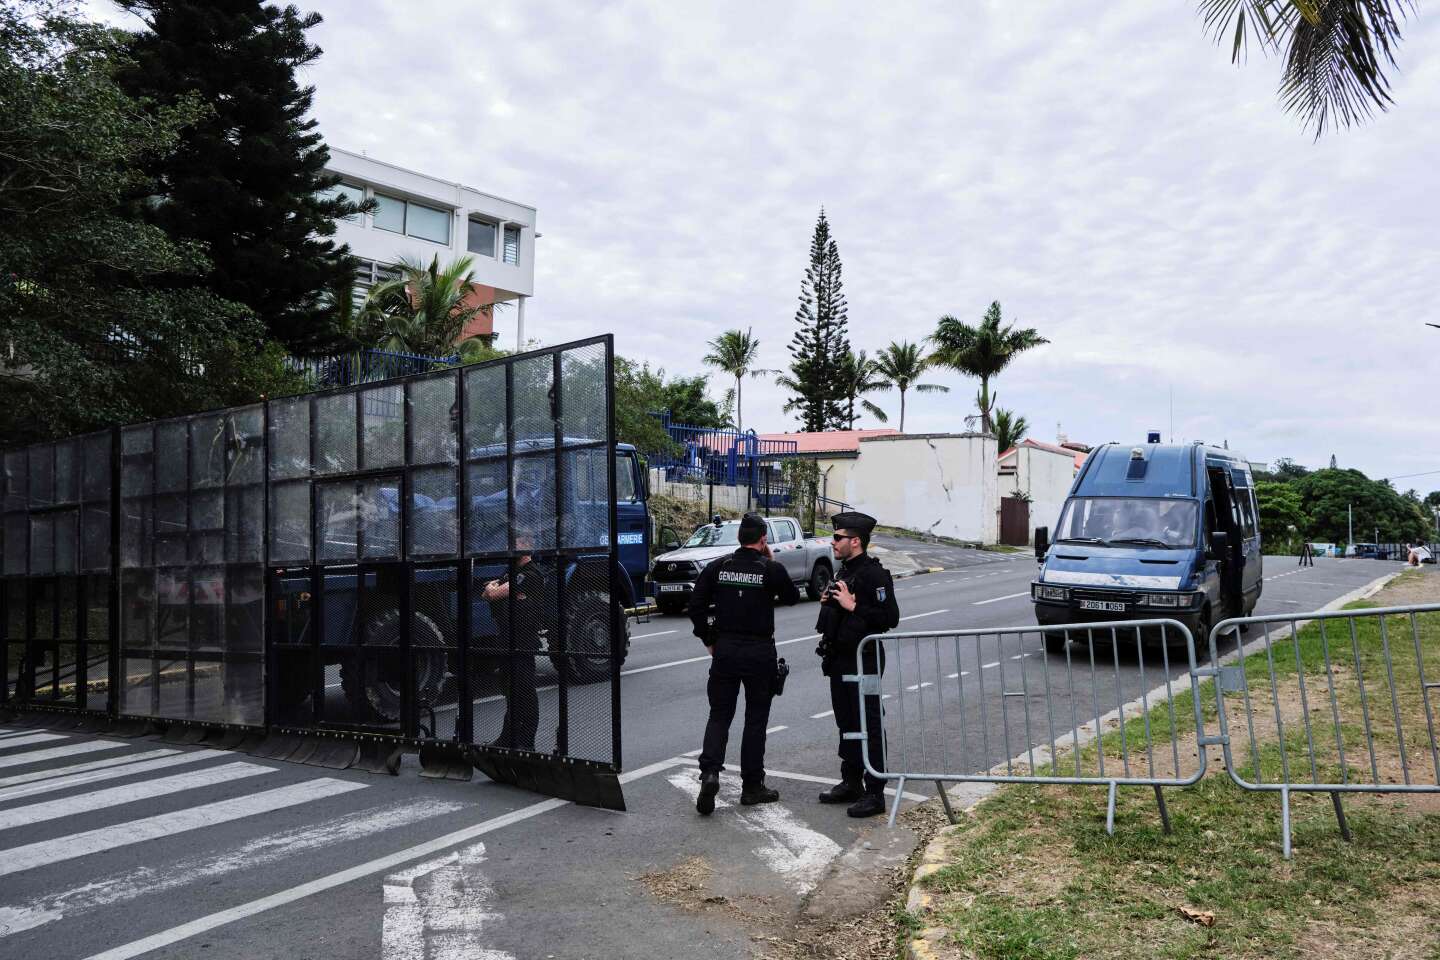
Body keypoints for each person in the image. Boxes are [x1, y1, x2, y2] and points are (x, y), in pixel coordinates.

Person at [688, 513, 800, 815]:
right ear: (763, 539)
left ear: (739, 538)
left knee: (719, 715)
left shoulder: (718, 567)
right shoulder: (769, 569)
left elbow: (696, 605)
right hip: (759, 652)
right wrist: (771, 562)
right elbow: (792, 596)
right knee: (755, 721)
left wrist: (708, 638)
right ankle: (752, 786)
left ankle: (710, 773)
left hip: (725, 650)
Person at [815, 511, 900, 818]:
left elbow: (889, 618)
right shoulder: (845, 571)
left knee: (869, 723)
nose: (833, 542)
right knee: (847, 722)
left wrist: (853, 605)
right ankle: (851, 781)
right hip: (840, 658)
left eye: (838, 538)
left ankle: (875, 792)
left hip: (864, 660)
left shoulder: (874, 575)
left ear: (855, 541)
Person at [481, 527, 547, 751]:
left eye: (517, 541)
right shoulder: (510, 572)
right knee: (510, 692)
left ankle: (526, 743)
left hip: (522, 641)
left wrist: (495, 589)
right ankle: (508, 738)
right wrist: (496, 588)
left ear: (527, 545)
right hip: (506, 640)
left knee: (524, 693)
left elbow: (492, 593)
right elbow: (486, 593)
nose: (512, 545)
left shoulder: (530, 574)